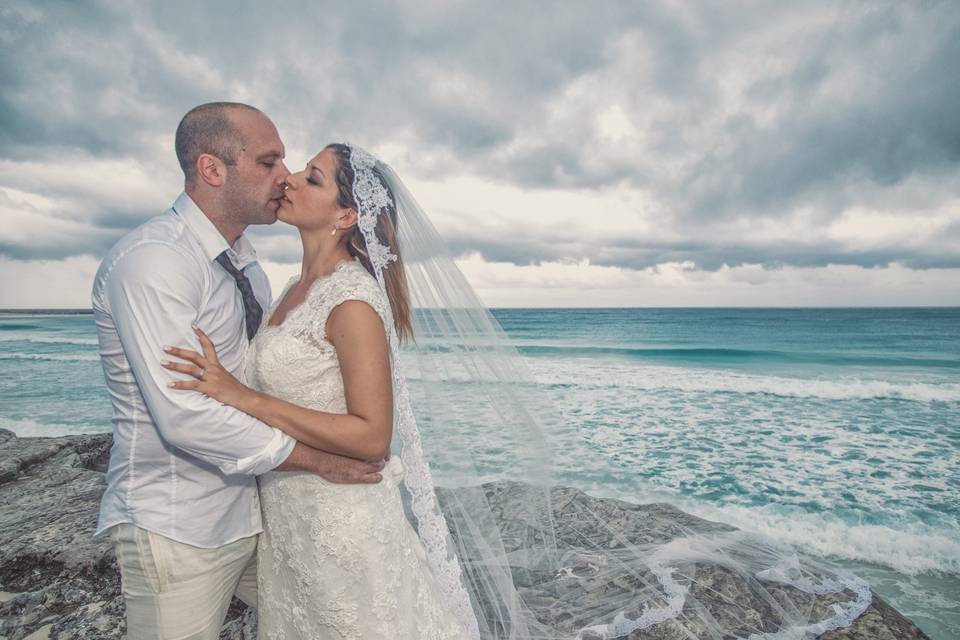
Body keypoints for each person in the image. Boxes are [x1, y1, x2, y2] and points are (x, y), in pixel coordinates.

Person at [163, 143, 874, 639]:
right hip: (294, 520)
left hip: (344, 523)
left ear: (347, 216)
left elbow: (372, 435)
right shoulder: (293, 287)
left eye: (312, 178)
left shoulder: (349, 300)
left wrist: (242, 395)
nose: (289, 180)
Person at [91, 103, 385, 640]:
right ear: (212, 170)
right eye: (269, 162)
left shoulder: (247, 266)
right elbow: (184, 414)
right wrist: (318, 461)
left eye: (292, 166)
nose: (285, 177)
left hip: (257, 516)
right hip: (179, 523)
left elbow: (253, 386)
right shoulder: (155, 261)